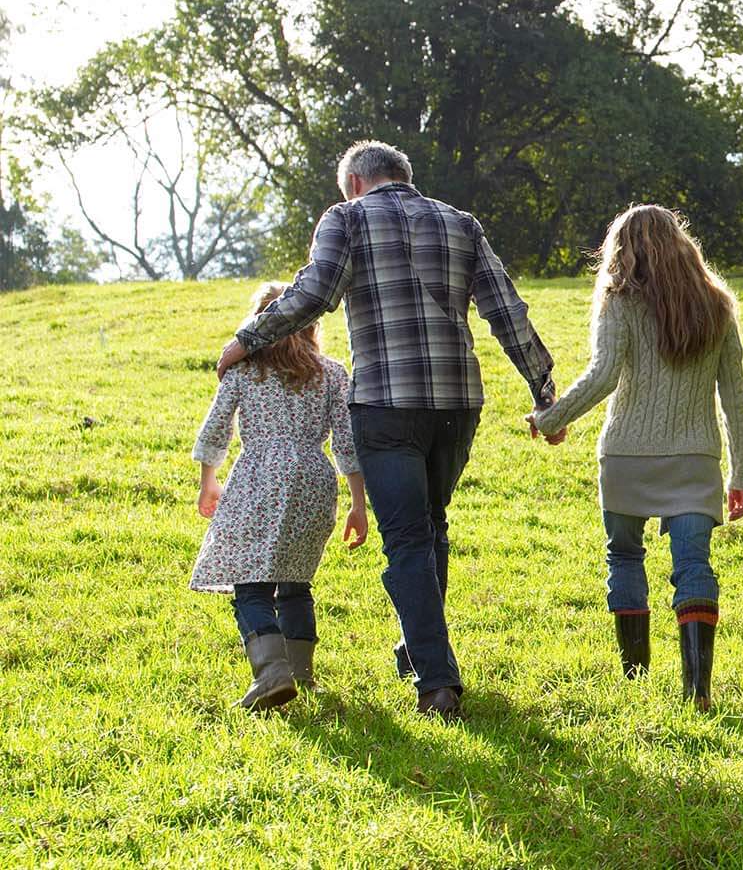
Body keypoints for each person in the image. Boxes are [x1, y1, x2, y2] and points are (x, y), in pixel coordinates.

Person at [218, 140, 553, 721]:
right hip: (456, 402)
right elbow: (506, 310)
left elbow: (314, 294)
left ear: (353, 184)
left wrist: (249, 337)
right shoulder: (460, 223)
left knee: (406, 538)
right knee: (429, 525)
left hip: (385, 402)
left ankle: (437, 682)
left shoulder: (344, 218)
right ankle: (416, 649)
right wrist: (543, 389)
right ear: (404, 177)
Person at [527, 205, 743, 712]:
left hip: (627, 453)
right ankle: (697, 688)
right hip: (695, 458)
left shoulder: (619, 302)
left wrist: (550, 418)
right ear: (681, 243)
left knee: (624, 556)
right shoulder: (717, 305)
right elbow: (734, 396)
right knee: (693, 562)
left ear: (622, 249)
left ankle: (635, 679)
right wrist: (741, 473)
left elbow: (603, 374)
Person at [192, 281, 368, 710]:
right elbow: (348, 443)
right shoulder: (331, 373)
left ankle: (272, 673)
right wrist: (358, 505)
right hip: (314, 479)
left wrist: (208, 479)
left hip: (260, 478)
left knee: (250, 585)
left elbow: (218, 427)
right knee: (295, 582)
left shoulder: (245, 370)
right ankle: (300, 676)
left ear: (258, 325)